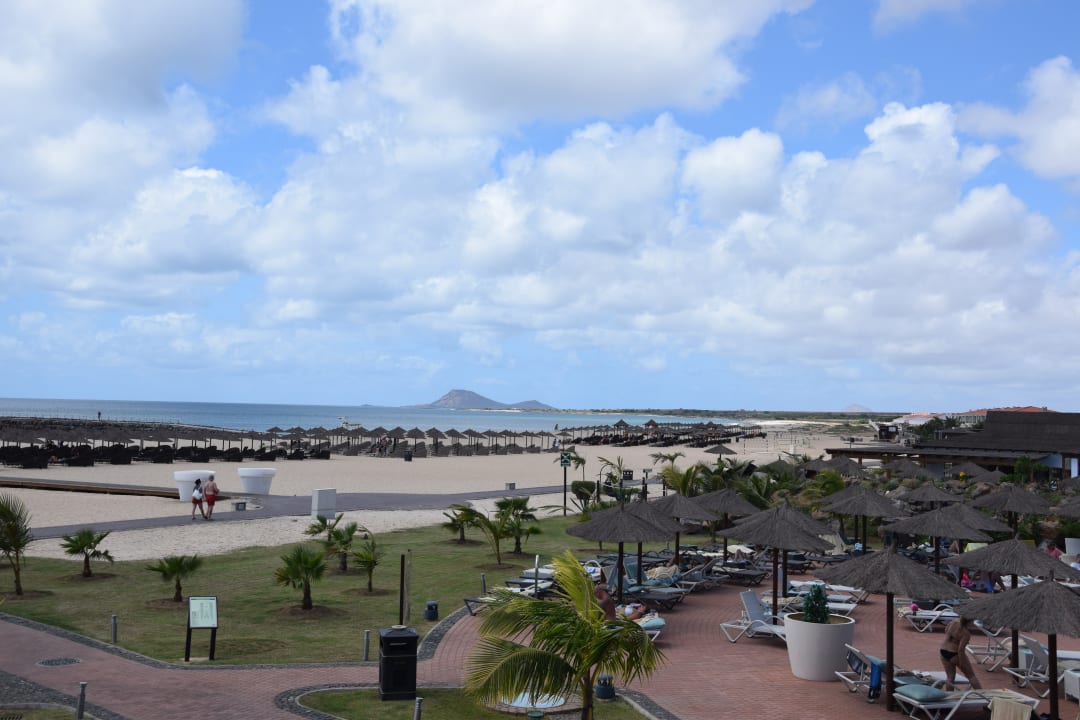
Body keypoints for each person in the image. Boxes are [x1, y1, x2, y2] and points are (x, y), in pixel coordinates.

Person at [939, 617, 981, 690]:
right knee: (971, 676)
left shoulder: (954, 622)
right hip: (955, 653)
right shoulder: (966, 634)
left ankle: (949, 696)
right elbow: (960, 650)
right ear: (969, 622)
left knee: (950, 677)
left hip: (943, 650)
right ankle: (984, 695)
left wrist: (954, 639)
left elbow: (946, 630)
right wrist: (962, 662)